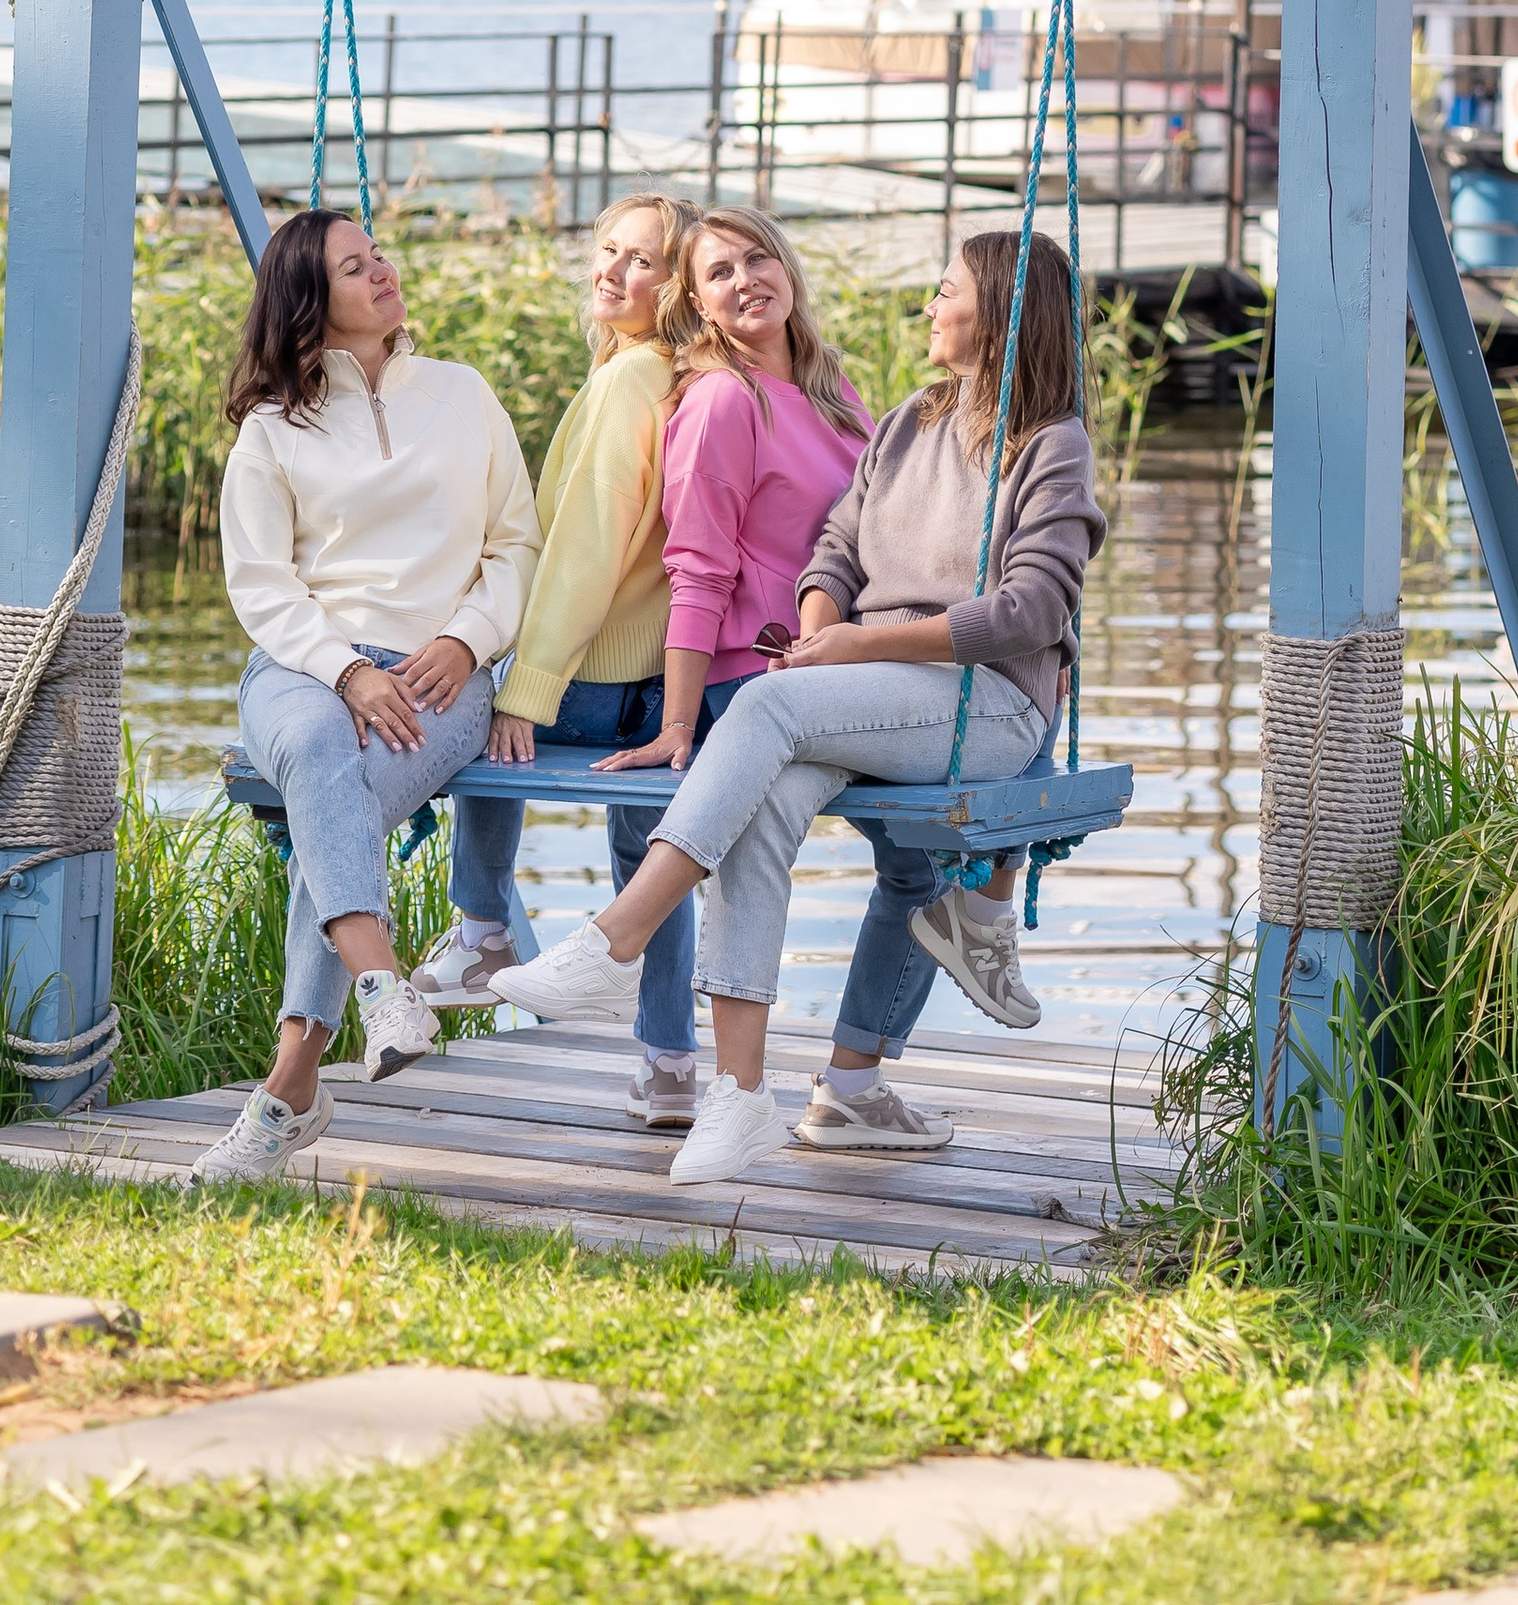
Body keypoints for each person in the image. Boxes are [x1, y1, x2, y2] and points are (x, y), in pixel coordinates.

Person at [491, 226, 1101, 1190]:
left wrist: (854, 645)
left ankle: (617, 939)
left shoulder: (1050, 444)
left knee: (765, 715)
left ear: (998, 310)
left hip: (986, 704)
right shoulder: (906, 422)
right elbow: (836, 551)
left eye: (944, 292)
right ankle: (740, 1101)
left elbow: (1033, 607)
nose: (930, 308)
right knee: (763, 804)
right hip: (880, 689)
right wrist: (821, 631)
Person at [191, 209, 539, 1187]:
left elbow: (515, 544)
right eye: (355, 266)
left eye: (377, 256)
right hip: (304, 667)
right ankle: (384, 988)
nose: (382, 272)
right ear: (313, 302)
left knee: (323, 805)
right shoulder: (271, 429)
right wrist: (344, 668)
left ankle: (291, 1091)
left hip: (442, 675)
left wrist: (464, 641)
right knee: (316, 757)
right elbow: (261, 584)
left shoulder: (463, 395)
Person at [403, 192, 710, 1129]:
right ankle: (668, 1066)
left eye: (644, 260)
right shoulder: (676, 375)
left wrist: (527, 689)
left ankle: (484, 928)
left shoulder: (628, 383)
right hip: (651, 685)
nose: (614, 272)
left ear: (679, 283)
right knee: (648, 858)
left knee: (474, 719)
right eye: (608, 250)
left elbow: (586, 548)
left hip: (596, 679)